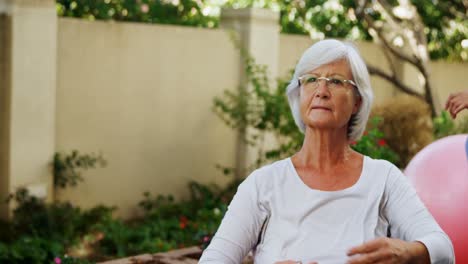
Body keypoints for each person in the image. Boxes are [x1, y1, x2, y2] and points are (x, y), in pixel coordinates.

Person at [199, 39, 454, 264]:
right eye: (311, 80)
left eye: (335, 81)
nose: (321, 91)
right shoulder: (263, 185)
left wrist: (406, 252)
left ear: (357, 102)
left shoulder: (383, 178)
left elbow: (443, 249)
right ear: (299, 95)